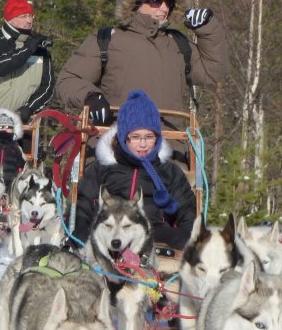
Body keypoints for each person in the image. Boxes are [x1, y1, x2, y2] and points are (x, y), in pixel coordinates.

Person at [55, 0, 228, 126]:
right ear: (135, 1)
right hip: (117, 145)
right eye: (156, 0)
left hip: (169, 147)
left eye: (169, 1)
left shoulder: (177, 43)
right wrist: (91, 97)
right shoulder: (107, 40)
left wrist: (208, 28)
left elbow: (212, 71)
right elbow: (68, 79)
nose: (164, 8)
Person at [72, 90, 197, 250]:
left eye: (149, 137)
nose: (143, 144)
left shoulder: (169, 171)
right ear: (124, 137)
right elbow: (84, 203)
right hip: (109, 231)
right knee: (80, 235)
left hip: (153, 232)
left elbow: (187, 209)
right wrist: (81, 231)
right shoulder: (103, 167)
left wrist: (188, 235)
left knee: (187, 238)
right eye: (136, 137)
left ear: (157, 138)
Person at [0, 0, 54, 124]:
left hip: (22, 124)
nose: (29, 20)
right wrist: (27, 50)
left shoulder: (40, 48)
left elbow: (47, 86)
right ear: (10, 18)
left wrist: (28, 109)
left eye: (31, 16)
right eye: (23, 16)